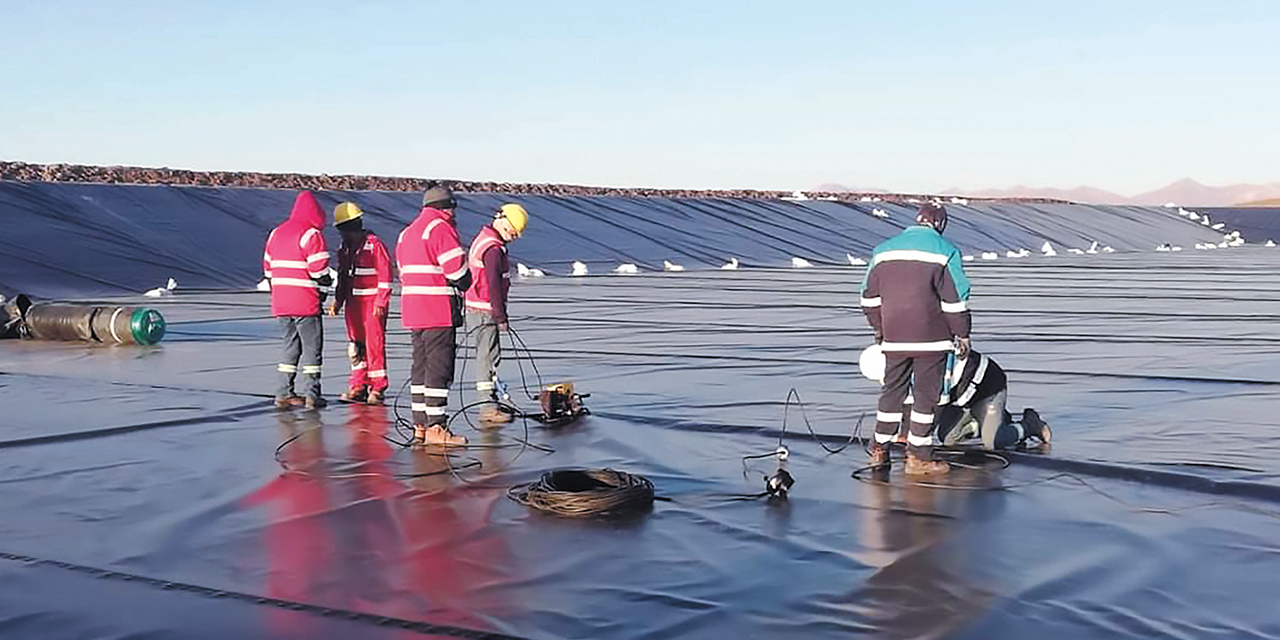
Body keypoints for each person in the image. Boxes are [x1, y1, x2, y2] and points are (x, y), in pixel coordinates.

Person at [860, 202, 970, 475]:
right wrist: (963, 333)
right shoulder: (946, 251)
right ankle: (918, 456)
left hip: (894, 337)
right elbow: (955, 300)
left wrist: (880, 328)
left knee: (892, 391)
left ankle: (879, 448)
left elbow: (868, 298)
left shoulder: (883, 251)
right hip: (932, 339)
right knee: (925, 397)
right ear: (940, 225)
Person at [395, 184, 472, 445]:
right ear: (446, 208)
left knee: (420, 367)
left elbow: (402, 272)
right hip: (438, 309)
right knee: (439, 369)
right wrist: (465, 282)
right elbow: (457, 272)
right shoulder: (440, 229)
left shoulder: (407, 233)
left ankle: (420, 424)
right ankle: (437, 428)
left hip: (413, 310)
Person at [264, 191, 331, 410]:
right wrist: (325, 286)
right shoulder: (311, 235)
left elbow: (268, 270)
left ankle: (283, 392)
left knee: (289, 346)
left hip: (281, 302)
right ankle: (312, 394)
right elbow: (319, 270)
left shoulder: (276, 233)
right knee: (312, 348)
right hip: (305, 302)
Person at [465, 203, 529, 423]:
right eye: (513, 232)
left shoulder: (486, 240)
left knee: (489, 355)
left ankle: (491, 399)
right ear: (503, 222)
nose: (514, 236)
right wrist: (500, 316)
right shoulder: (492, 248)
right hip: (484, 311)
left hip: (480, 308)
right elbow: (493, 285)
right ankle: (487, 407)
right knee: (488, 356)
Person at [328, 202, 394, 405]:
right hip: (353, 304)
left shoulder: (374, 245)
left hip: (372, 303)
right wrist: (338, 300)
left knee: (374, 345)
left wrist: (381, 302)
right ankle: (359, 384)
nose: (342, 235)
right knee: (355, 346)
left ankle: (378, 386)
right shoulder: (345, 248)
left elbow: (386, 275)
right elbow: (342, 275)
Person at [933, 349, 1051, 450]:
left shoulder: (927, 375)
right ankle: (990, 420)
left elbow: (928, 417)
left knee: (994, 441)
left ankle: (1030, 425)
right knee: (948, 439)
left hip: (988, 387)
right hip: (961, 397)